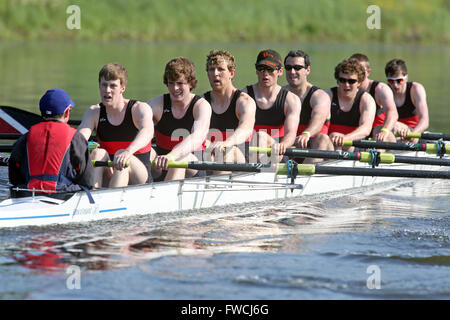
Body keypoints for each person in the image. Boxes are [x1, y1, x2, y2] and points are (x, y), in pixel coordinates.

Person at [9, 88, 95, 198]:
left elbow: (14, 176)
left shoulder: (27, 136)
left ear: (42, 113)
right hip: (63, 194)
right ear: (67, 112)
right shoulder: (76, 137)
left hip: (28, 192)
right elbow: (88, 180)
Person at [78, 63, 154, 188]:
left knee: (122, 156)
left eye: (113, 86)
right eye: (104, 85)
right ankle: (93, 195)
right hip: (112, 174)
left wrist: (128, 151)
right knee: (98, 153)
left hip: (140, 178)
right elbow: (80, 138)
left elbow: (148, 131)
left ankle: (108, 202)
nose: (107, 90)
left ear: (122, 88)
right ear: (99, 86)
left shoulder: (139, 109)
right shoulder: (94, 112)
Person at [148, 56, 211, 181]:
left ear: (190, 84)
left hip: (193, 167)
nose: (175, 88)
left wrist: (172, 156)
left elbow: (197, 138)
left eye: (180, 83)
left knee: (180, 159)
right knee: (144, 152)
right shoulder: (156, 104)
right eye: (171, 83)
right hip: (161, 164)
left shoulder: (201, 105)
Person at [243, 49, 301, 162]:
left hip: (278, 152)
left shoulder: (291, 100)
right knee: (258, 138)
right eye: (261, 69)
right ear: (256, 71)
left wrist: (283, 145)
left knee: (260, 137)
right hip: (248, 152)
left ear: (280, 71)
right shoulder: (244, 96)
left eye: (270, 69)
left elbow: (291, 133)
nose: (265, 74)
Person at [204, 50, 256, 170]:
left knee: (225, 152)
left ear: (231, 73)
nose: (215, 74)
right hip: (208, 157)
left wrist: (225, 143)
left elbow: (245, 130)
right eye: (211, 70)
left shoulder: (244, 102)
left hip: (239, 159)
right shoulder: (201, 102)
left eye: (220, 69)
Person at [282, 50, 332, 162]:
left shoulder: (319, 96)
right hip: (290, 148)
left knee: (322, 138)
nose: (292, 71)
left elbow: (318, 120)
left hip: (315, 148)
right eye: (288, 67)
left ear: (307, 70)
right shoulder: (280, 94)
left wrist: (306, 134)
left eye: (297, 67)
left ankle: (306, 176)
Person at [323, 59, 376, 151]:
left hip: (354, 145)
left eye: (351, 81)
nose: (346, 85)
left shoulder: (366, 100)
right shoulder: (328, 95)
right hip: (329, 144)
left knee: (344, 143)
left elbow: (365, 129)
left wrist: (345, 138)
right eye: (342, 80)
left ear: (359, 82)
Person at [349, 53, 398, 142]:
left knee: (379, 131)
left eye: (360, 71)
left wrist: (385, 130)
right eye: (353, 70)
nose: (357, 74)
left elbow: (392, 113)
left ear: (368, 72)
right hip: (357, 133)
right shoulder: (345, 88)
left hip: (378, 133)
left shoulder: (381, 89)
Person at [385, 58, 429, 140]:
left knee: (394, 124)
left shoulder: (416, 89)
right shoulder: (384, 91)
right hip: (394, 131)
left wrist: (411, 134)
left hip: (414, 132)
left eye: (399, 80)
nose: (395, 85)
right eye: (391, 81)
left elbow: (425, 121)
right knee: (391, 124)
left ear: (406, 78)